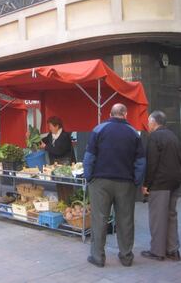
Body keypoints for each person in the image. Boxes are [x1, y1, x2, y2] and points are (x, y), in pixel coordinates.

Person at [83, 103, 145, 268]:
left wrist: (89, 177)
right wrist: (136, 181)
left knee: (99, 219)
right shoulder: (134, 133)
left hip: (100, 182)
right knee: (125, 220)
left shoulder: (99, 129)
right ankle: (126, 257)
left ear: (110, 114)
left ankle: (98, 257)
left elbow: (89, 156)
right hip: (125, 182)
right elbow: (140, 161)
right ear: (125, 114)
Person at [141, 111, 181, 261]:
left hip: (160, 183)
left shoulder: (154, 137)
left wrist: (146, 184)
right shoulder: (173, 136)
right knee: (171, 216)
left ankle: (157, 251)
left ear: (153, 122)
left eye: (148, 122)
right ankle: (173, 250)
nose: (148, 125)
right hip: (175, 182)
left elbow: (152, 163)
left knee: (158, 217)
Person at [41, 116, 75, 201]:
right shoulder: (51, 135)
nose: (49, 128)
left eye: (50, 126)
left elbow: (59, 151)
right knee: (59, 185)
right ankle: (62, 204)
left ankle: (69, 204)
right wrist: (31, 137)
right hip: (55, 166)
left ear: (57, 126)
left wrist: (46, 147)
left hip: (65, 167)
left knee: (66, 186)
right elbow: (41, 141)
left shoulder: (65, 136)